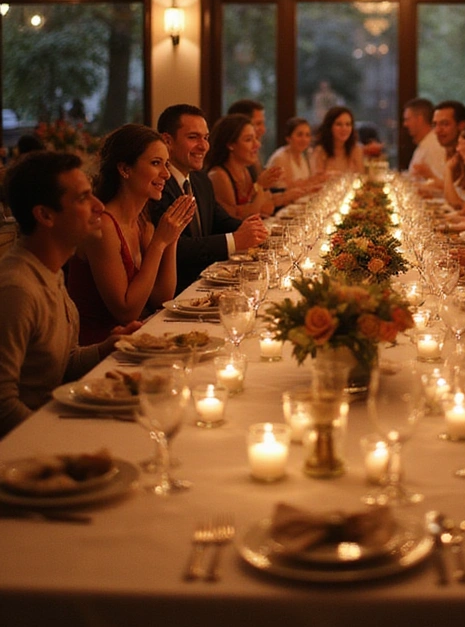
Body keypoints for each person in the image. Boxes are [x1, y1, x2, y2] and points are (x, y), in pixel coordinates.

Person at [0, 151, 140, 436]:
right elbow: (2, 404)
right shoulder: (17, 289)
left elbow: (62, 363)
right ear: (45, 215)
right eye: (82, 198)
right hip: (27, 454)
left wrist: (107, 347)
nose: (99, 206)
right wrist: (63, 438)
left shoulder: (50, 271)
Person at [66, 125, 194, 344]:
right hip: (99, 348)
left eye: (166, 164)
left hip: (134, 339)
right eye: (156, 163)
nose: (165, 174)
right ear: (125, 169)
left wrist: (172, 238)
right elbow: (126, 312)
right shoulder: (103, 226)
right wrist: (159, 243)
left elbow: (162, 299)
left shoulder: (143, 222)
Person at [154, 104, 268, 292]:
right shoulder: (158, 185)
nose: (204, 145)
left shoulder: (200, 179)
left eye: (206, 138)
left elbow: (220, 220)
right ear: (168, 141)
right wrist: (235, 241)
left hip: (207, 285)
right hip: (178, 291)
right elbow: (176, 248)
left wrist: (258, 232)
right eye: (193, 137)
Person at [206, 114, 276, 219]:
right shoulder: (219, 176)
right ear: (230, 145)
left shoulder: (245, 170)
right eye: (248, 140)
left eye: (256, 138)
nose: (257, 144)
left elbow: (268, 208)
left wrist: (263, 188)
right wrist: (260, 186)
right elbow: (235, 219)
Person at [310, 106, 365, 175]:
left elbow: (361, 177)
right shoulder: (320, 151)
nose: (344, 129)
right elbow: (316, 180)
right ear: (329, 127)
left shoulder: (356, 150)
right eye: (339, 124)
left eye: (348, 124)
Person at [403, 98, 446, 184]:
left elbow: (441, 186)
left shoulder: (435, 145)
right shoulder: (425, 143)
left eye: (408, 119)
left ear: (419, 119)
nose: (405, 124)